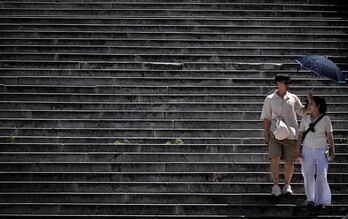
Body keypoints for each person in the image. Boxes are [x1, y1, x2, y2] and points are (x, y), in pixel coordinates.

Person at [261, 74, 310, 197]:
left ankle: (287, 185)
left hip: (291, 135)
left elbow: (302, 112)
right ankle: (276, 186)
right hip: (275, 134)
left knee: (289, 161)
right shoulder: (270, 99)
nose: (288, 85)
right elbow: (266, 118)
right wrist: (266, 134)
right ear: (278, 83)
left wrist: (309, 104)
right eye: (285, 82)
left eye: (289, 83)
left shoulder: (293, 98)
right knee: (274, 159)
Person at [297, 96, 335, 208]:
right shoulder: (305, 119)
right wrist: (297, 149)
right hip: (307, 149)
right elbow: (300, 135)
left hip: (322, 150)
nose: (309, 106)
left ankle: (322, 200)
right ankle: (310, 199)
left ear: (318, 106)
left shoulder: (325, 119)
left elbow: (329, 135)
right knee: (308, 175)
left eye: (312, 104)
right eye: (309, 104)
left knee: (322, 175)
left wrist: (332, 150)